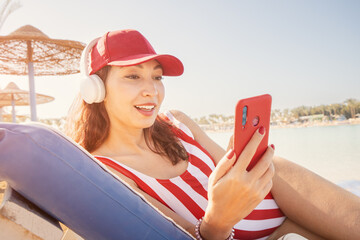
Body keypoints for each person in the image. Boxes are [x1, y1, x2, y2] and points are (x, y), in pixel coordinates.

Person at [66, 29, 360, 240]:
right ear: (95, 89)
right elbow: (182, 235)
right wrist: (218, 220)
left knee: (278, 166)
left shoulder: (178, 123)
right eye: (133, 75)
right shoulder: (108, 171)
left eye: (157, 76)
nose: (152, 89)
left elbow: (235, 172)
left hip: (287, 202)